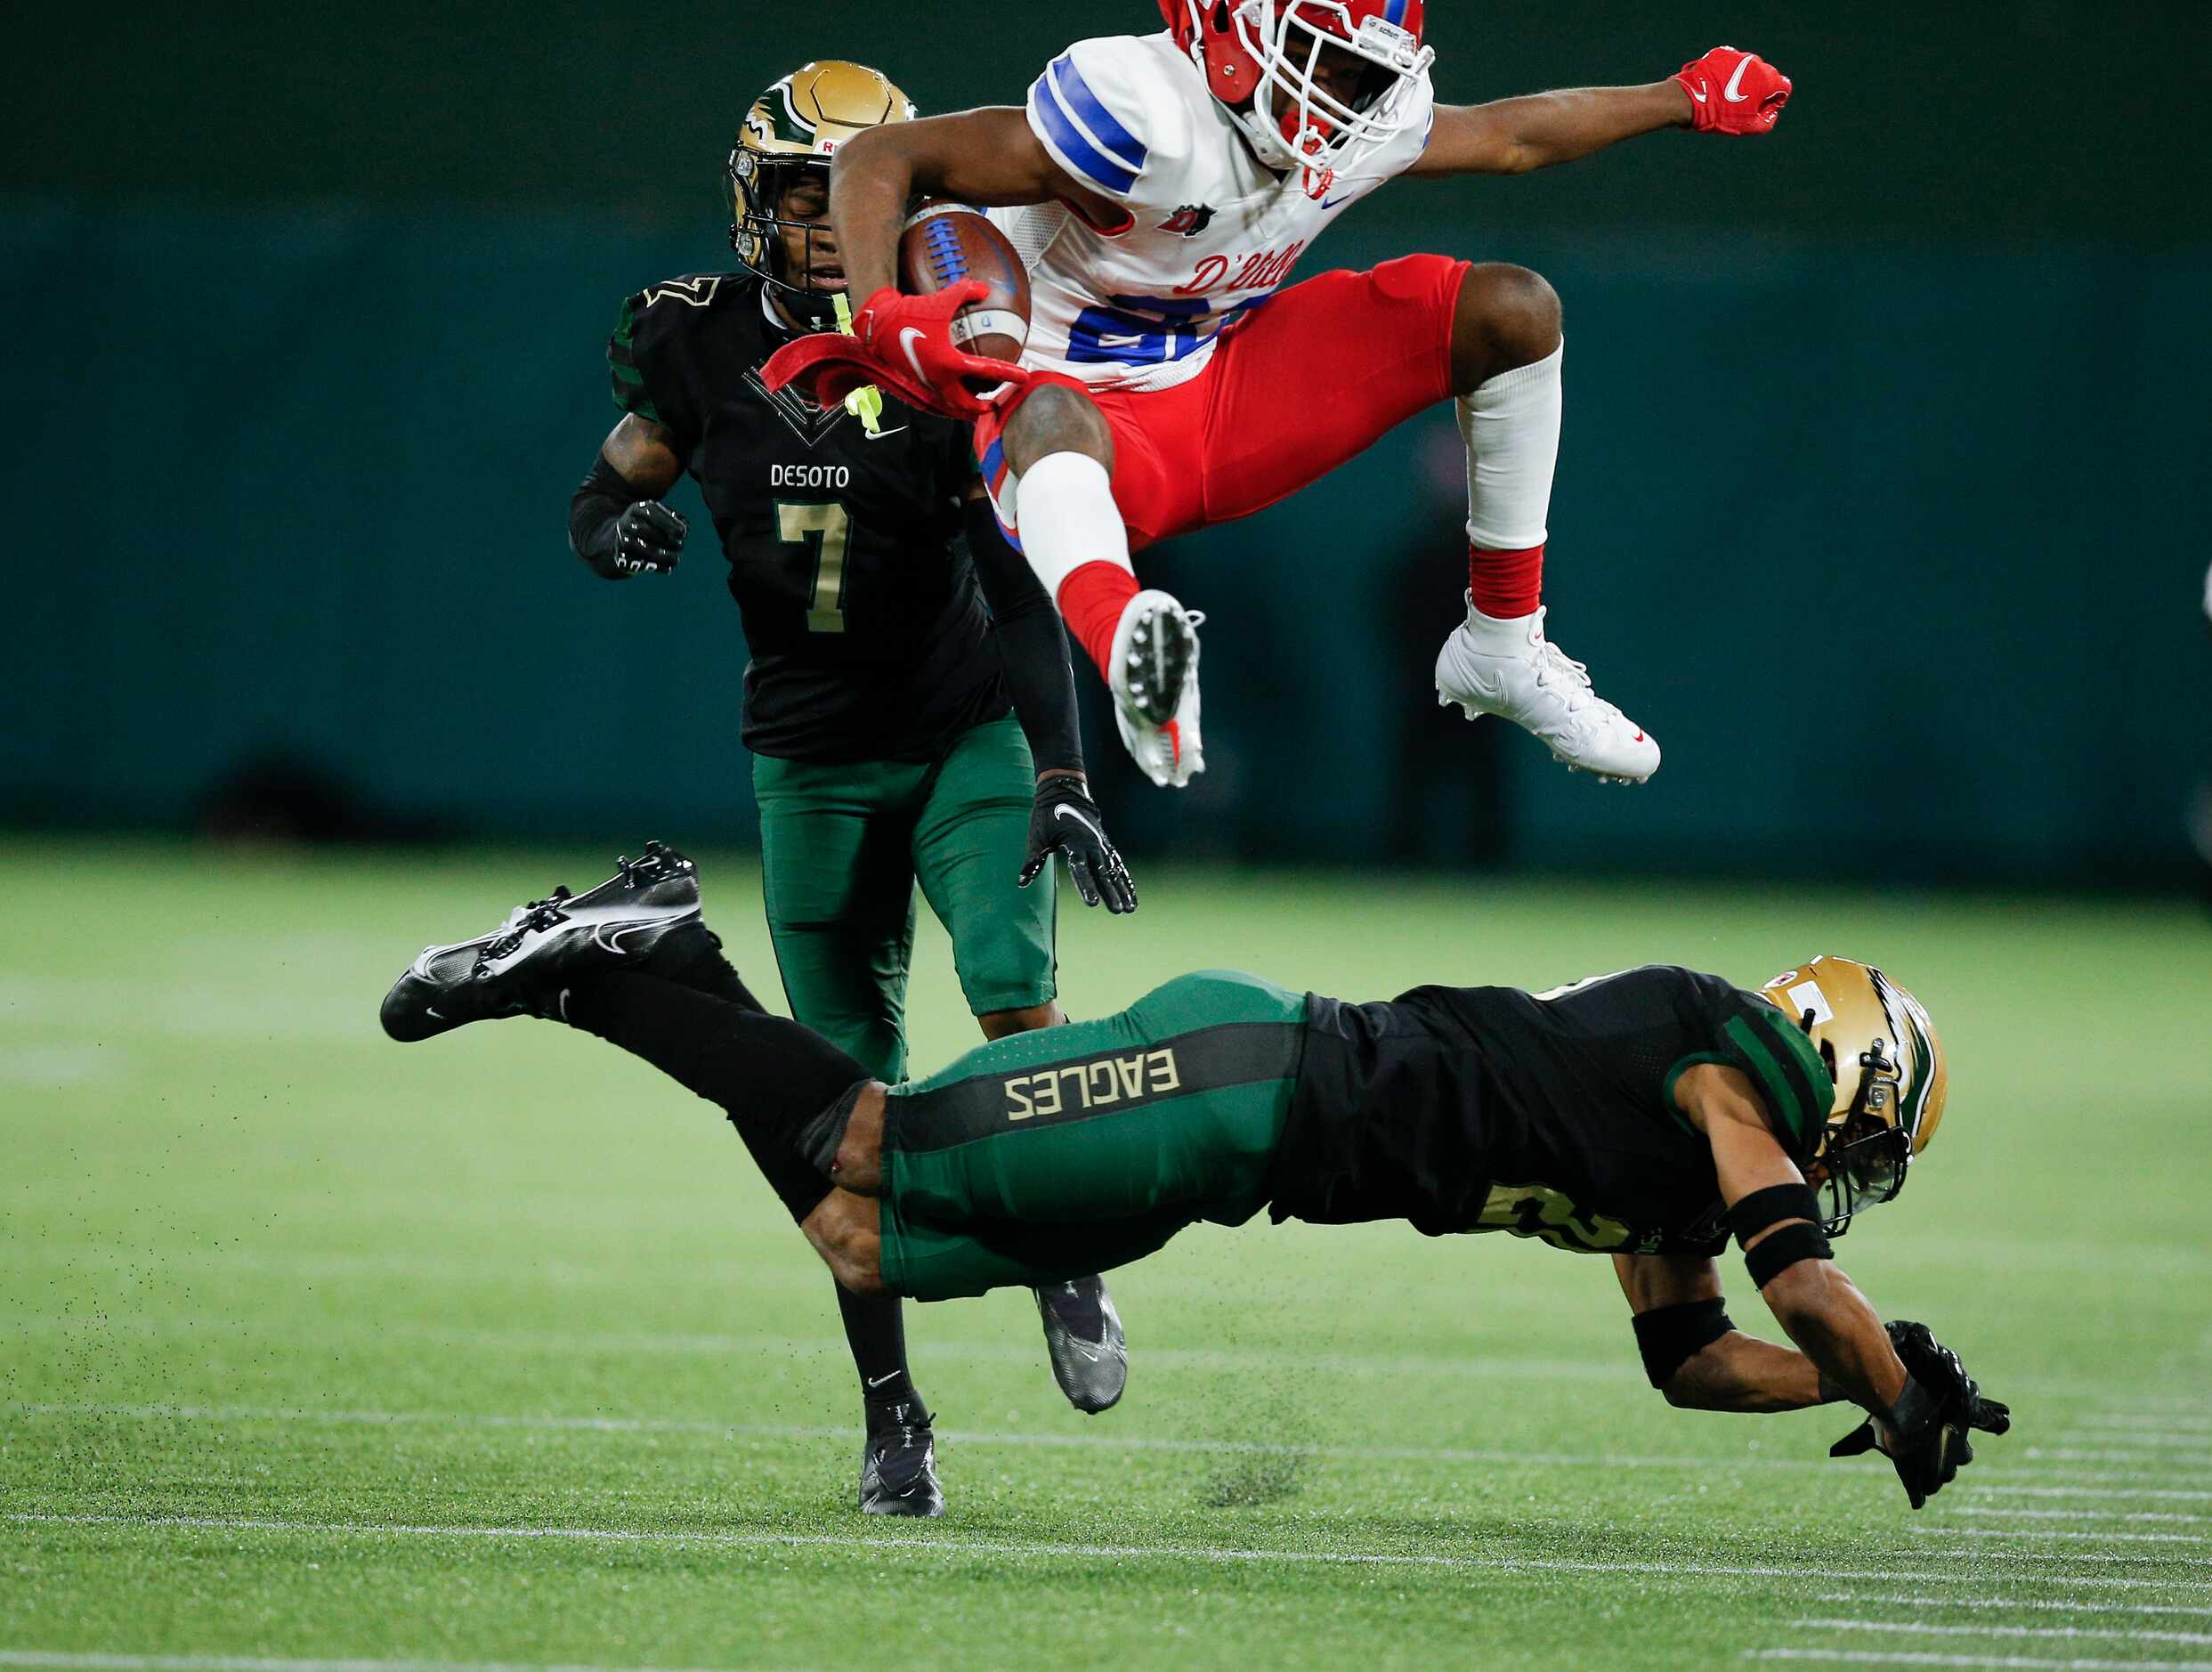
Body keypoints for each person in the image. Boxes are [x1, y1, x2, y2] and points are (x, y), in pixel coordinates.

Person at [383, 847, 2013, 1512]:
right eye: (1864, 1135)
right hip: (1235, 1075)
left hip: (1235, 1163)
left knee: (857, 1225)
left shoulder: (1692, 1161)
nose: (1845, 1166)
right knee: (875, 1138)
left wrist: (1840, 1387)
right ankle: (619, 955)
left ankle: (637, 956)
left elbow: (1688, 1357)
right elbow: (1802, 1271)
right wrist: (1892, 1379)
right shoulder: (1726, 1055)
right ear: (1845, 1072)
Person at [559, 61, 1139, 1517]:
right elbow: (608, 480)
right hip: (808, 759)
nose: (827, 227)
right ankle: (894, 1419)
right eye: (803, 197)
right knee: (836, 1099)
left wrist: (1063, 769)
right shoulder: (687, 340)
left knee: (1014, 990)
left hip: (961, 735)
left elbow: (1012, 583)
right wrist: (607, 525)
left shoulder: (944, 339)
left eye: (850, 195)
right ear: (757, 203)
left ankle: (1063, 1252)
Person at [768, 4, 1792, 791]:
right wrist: (877, 316)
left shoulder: (1360, 118)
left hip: (1226, 379)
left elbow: (1510, 136)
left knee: (1513, 312)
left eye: (1367, 73)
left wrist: (1677, 97)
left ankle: (1501, 644)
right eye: (1329, 59)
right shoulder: (1140, 109)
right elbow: (880, 156)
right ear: (1232, 29)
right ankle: (1133, 649)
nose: (1344, 96)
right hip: (1081, 414)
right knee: (1045, 416)